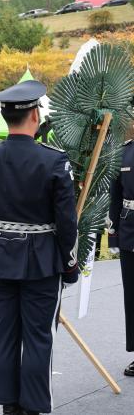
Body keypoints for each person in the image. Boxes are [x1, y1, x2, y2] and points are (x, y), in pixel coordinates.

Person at [0, 80, 78, 415]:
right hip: (42, 262)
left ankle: (9, 405)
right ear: (35, 115)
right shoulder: (54, 161)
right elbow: (66, 223)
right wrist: (69, 263)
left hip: (0, 258)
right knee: (38, 337)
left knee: (3, 335)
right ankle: (32, 406)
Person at [109, 138, 134, 378]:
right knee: (132, 296)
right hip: (130, 231)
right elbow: (115, 195)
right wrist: (113, 236)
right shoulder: (124, 151)